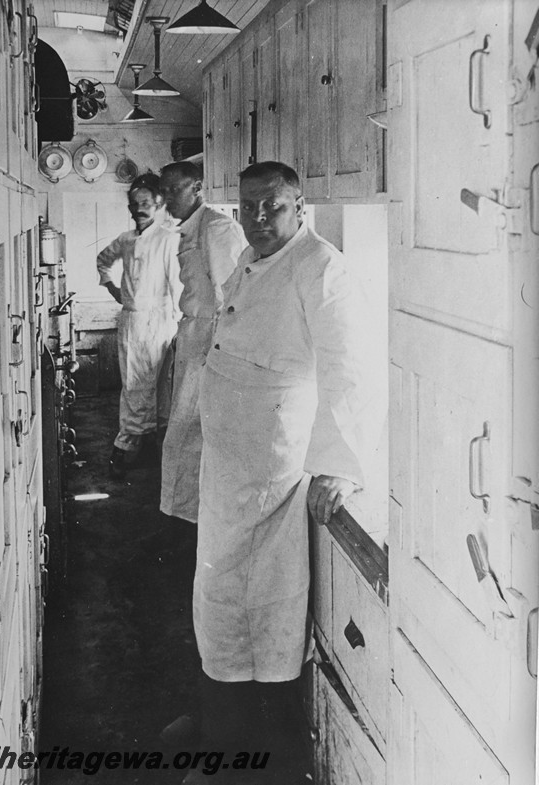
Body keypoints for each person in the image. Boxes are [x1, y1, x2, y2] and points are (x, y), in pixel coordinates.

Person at [184, 162, 386, 784]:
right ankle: (213, 712)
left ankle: (244, 745)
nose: (258, 218)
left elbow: (353, 368)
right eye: (248, 206)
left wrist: (336, 467)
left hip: (272, 467)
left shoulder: (320, 266)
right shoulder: (251, 257)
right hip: (229, 462)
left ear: (299, 205)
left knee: (256, 602)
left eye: (271, 206)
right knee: (218, 590)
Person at [158, 162, 245, 522]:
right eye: (163, 192)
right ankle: (183, 516)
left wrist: (218, 357)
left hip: (210, 343)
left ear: (197, 187)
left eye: (173, 191)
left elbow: (232, 300)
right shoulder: (191, 228)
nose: (166, 200)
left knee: (192, 432)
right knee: (183, 430)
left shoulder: (217, 229)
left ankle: (193, 520)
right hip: (194, 335)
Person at [97, 173, 182, 479]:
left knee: (159, 386)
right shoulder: (126, 239)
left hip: (161, 320)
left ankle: (150, 447)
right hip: (132, 320)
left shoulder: (169, 239)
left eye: (145, 202)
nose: (138, 209)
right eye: (134, 203)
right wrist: (112, 288)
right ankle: (128, 446)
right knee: (134, 384)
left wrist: (180, 327)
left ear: (160, 203)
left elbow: (178, 287)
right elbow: (103, 260)